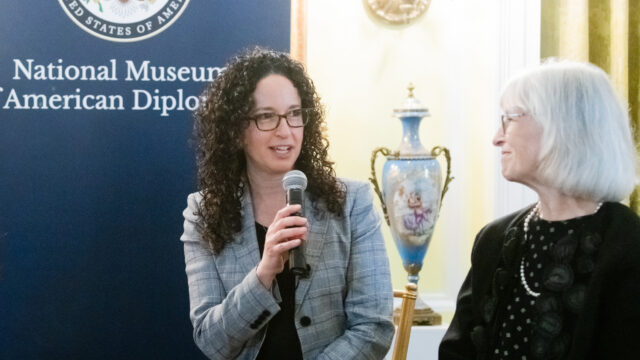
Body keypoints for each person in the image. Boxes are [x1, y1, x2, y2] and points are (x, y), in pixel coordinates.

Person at [179, 48, 394, 360]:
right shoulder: (203, 213)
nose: (285, 130)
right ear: (236, 131)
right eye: (267, 116)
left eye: (294, 114)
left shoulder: (352, 203)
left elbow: (373, 327)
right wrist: (263, 273)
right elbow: (212, 341)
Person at [439, 60, 640, 359]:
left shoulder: (629, 246)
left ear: (564, 124)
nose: (497, 137)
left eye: (510, 118)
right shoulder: (494, 239)